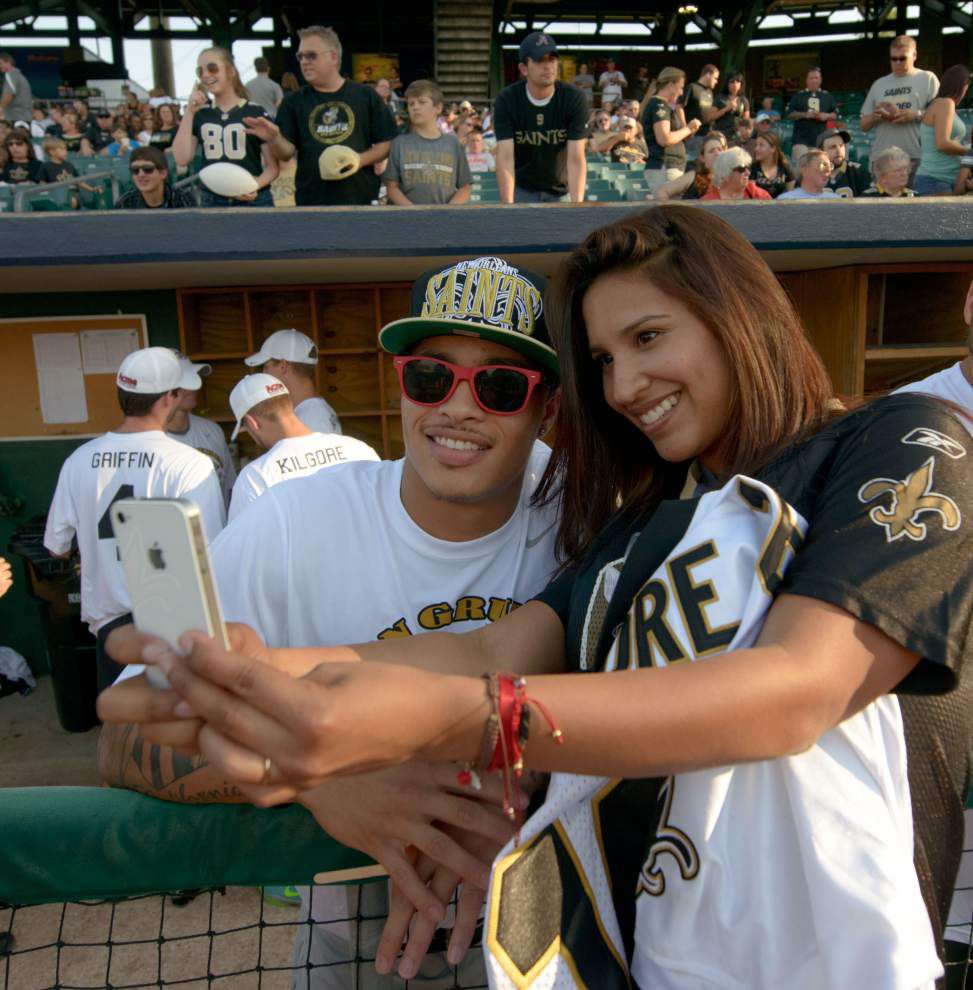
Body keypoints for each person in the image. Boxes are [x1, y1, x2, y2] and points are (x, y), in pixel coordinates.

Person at [101, 208, 971, 990]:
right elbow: (490, 649)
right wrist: (252, 671)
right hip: (657, 955)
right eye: (603, 359)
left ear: (736, 315)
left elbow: (797, 688)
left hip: (840, 958)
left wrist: (462, 719)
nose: (626, 385)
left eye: (648, 337)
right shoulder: (640, 527)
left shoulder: (897, 439)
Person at [99, 255, 562, 989]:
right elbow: (127, 733)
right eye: (430, 376)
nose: (458, 407)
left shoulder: (588, 518)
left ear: (546, 412)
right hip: (360, 943)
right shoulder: (294, 521)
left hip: (548, 937)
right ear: (402, 386)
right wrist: (318, 776)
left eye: (501, 386)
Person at [44, 346, 224, 691]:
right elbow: (210, 557)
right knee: (174, 738)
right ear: (168, 398)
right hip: (174, 625)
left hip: (113, 627)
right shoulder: (188, 462)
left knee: (120, 734)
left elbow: (57, 548)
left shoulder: (79, 460)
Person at [241, 25, 396, 207]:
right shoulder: (293, 102)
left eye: (311, 55)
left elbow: (387, 143)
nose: (304, 61)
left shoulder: (365, 95)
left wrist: (360, 160)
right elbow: (286, 153)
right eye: (300, 56)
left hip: (360, 199)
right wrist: (275, 138)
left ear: (334, 57)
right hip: (311, 201)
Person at [226, 373, 378, 521]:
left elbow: (246, 543)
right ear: (288, 403)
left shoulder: (256, 476)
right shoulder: (359, 450)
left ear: (252, 422)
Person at [173, 47, 278, 208]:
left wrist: (255, 185)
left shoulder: (255, 111)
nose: (206, 75)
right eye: (199, 71)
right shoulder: (200, 114)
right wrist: (189, 112)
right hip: (213, 200)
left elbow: (272, 167)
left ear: (230, 71)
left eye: (212, 68)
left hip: (253, 199)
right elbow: (182, 158)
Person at [493, 31, 586, 204]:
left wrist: (577, 206)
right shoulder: (507, 99)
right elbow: (505, 158)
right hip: (522, 189)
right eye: (539, 60)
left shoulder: (573, 98)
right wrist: (508, 207)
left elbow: (576, 158)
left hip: (560, 190)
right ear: (523, 68)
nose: (548, 66)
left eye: (552, 59)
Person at [861, 36, 939, 185]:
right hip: (883, 157)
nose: (897, 62)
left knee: (914, 206)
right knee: (880, 207)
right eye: (893, 59)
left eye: (902, 58)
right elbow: (863, 125)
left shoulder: (927, 79)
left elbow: (941, 116)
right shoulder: (879, 84)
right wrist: (878, 116)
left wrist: (915, 114)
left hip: (915, 156)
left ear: (914, 55)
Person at [385, 79, 472, 206]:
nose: (415, 107)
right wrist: (413, 212)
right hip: (408, 220)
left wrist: (448, 211)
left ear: (438, 107)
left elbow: (465, 186)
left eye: (422, 102)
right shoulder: (399, 143)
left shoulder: (453, 143)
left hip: (444, 220)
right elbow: (392, 187)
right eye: (411, 104)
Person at [166, 352, 237, 506]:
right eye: (187, 381)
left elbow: (230, 488)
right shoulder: (152, 440)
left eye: (196, 378)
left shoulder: (212, 430)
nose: (196, 386)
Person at [243, 329, 341, 434]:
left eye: (266, 366)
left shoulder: (309, 420)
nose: (264, 373)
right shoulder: (314, 412)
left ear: (283, 366)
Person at [641, 67, 701, 195]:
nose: (681, 92)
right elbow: (664, 139)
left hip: (671, 167)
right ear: (671, 84)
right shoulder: (659, 106)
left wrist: (688, 129)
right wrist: (688, 128)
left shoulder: (664, 106)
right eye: (680, 87)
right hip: (664, 167)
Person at [914, 64, 971, 197]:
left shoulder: (941, 104)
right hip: (935, 180)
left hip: (942, 180)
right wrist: (969, 152)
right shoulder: (945, 103)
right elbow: (943, 143)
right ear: (962, 86)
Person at [114, 146, 197, 209]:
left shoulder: (182, 198)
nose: (141, 174)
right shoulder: (125, 202)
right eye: (135, 170)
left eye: (147, 169)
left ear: (163, 173)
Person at [654, 131, 727, 201]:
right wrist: (668, 212)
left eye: (720, 149)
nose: (717, 153)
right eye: (711, 151)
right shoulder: (694, 176)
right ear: (702, 158)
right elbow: (663, 191)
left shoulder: (730, 177)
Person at [786, 67, 837, 162]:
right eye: (811, 78)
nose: (814, 80)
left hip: (821, 142)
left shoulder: (827, 96)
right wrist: (805, 115)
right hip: (801, 141)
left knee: (820, 169)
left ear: (820, 80)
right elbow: (789, 114)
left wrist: (826, 116)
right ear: (807, 80)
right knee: (802, 169)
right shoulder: (798, 96)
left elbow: (835, 114)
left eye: (816, 78)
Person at [701, 146, 772, 199]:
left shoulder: (759, 196)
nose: (748, 173)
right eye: (741, 169)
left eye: (748, 168)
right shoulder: (708, 202)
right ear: (726, 174)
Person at [819, 129, 870, 197]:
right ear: (821, 152)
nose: (839, 151)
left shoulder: (858, 172)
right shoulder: (811, 174)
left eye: (841, 145)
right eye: (832, 147)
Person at [681, 63, 720, 151]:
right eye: (715, 78)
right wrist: (685, 129)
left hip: (707, 135)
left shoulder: (710, 92)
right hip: (693, 135)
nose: (717, 81)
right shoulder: (691, 87)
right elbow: (679, 107)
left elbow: (708, 113)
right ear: (708, 74)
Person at [749, 130, 794, 198]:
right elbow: (752, 194)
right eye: (756, 145)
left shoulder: (785, 167)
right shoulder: (752, 168)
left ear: (773, 148)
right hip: (758, 206)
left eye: (761, 145)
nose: (756, 149)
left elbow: (791, 195)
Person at [712, 72, 750, 140]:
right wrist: (726, 109)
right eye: (732, 82)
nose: (735, 85)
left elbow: (745, 121)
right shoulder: (719, 97)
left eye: (738, 82)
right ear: (727, 84)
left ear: (741, 84)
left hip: (737, 136)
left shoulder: (744, 100)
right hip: (720, 134)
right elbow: (710, 117)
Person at [0, 51, 33, 127]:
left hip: (16, 116)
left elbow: (9, 95)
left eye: (0, 63)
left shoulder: (11, 74)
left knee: (15, 138)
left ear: (8, 62)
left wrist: (0, 108)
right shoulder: (18, 75)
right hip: (23, 116)